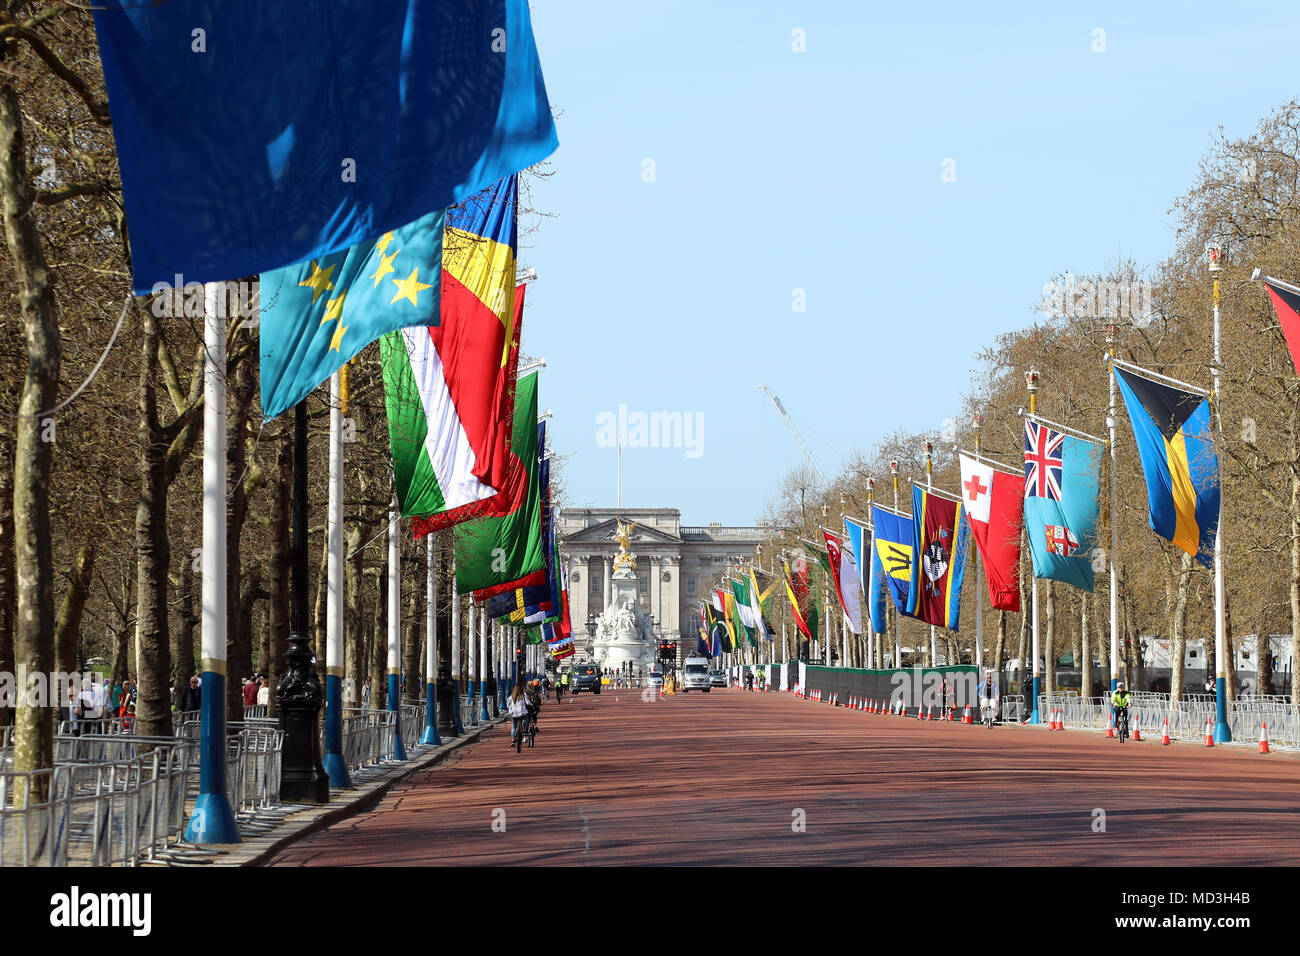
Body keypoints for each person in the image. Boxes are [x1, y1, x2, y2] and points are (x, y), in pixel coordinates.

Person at [507, 683, 530, 752]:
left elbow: (508, 704)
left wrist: (511, 711)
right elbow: (528, 703)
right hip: (522, 713)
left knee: (514, 727)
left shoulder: (511, 696)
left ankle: (513, 740)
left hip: (514, 714)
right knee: (526, 721)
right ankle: (524, 731)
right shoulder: (524, 695)